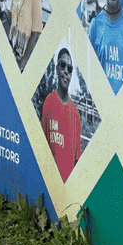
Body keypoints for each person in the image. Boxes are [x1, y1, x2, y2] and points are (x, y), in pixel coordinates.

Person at [40, 48, 81, 182]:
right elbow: (42, 147)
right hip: (49, 183)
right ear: (57, 69)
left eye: (70, 69)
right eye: (62, 65)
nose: (66, 72)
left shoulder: (75, 114)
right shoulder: (49, 103)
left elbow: (77, 161)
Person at [8, 0, 43, 71]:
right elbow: (13, 19)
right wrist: (4, 10)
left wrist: (22, 63)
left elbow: (36, 33)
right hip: (12, 46)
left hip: (24, 56)